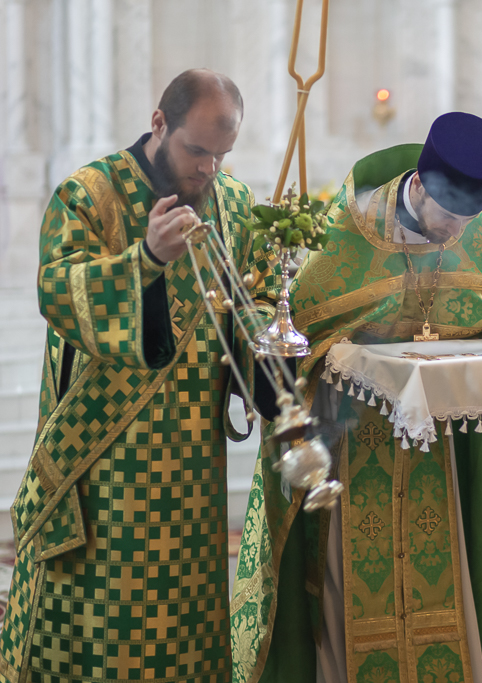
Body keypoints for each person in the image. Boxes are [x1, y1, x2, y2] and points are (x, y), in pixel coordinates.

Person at [230, 112, 482, 683]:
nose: (454, 234)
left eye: (467, 221)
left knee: (438, 577)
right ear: (421, 185)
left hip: (434, 452)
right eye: (448, 218)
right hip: (353, 445)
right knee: (353, 585)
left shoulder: (469, 227)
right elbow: (304, 331)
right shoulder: (350, 227)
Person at [0, 69, 279, 683]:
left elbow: (246, 299)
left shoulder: (233, 203)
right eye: (197, 150)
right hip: (106, 461)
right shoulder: (89, 195)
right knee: (105, 616)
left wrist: (268, 348)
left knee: (186, 615)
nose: (208, 169)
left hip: (192, 465)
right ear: (159, 124)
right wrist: (146, 259)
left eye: (222, 154)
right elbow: (59, 290)